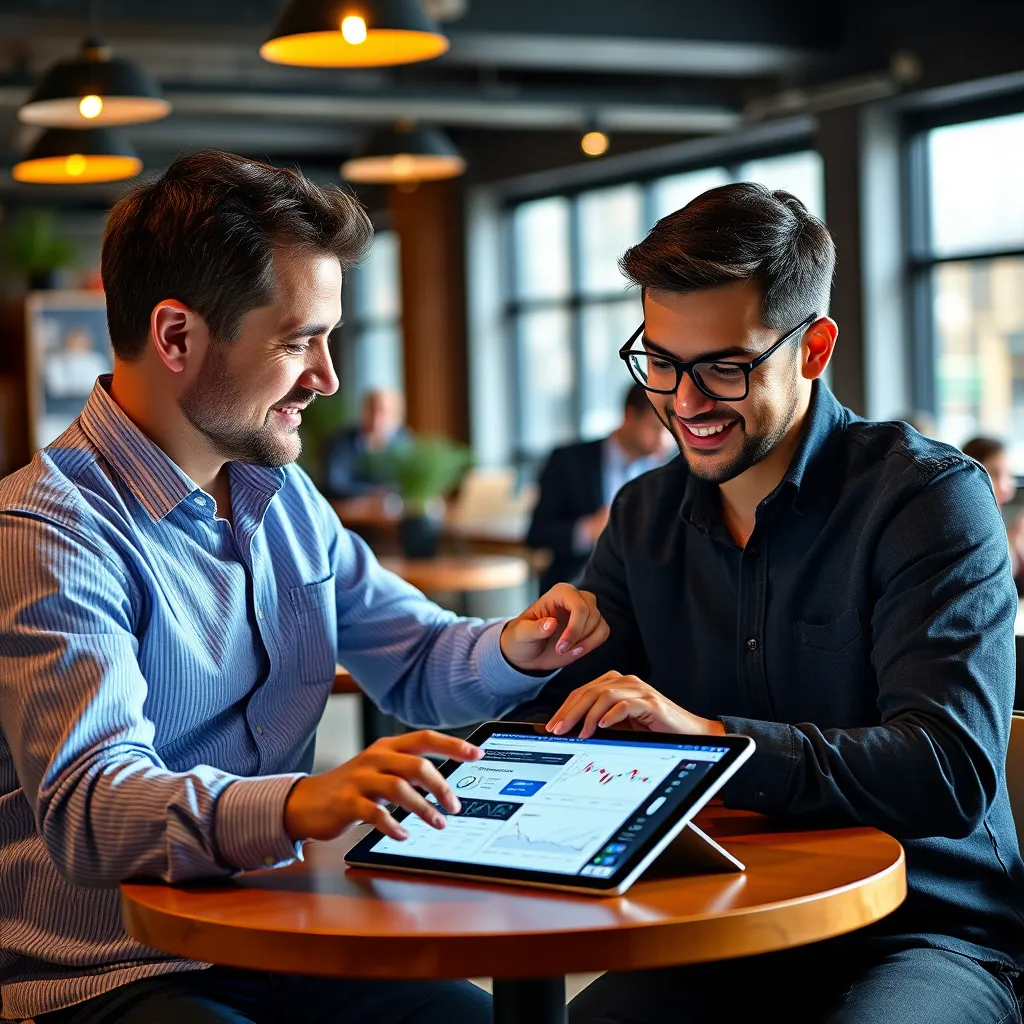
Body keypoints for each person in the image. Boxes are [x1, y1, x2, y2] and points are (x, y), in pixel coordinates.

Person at [0, 150, 610, 1024]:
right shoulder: (45, 530)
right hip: (113, 972)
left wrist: (518, 644)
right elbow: (95, 808)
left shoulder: (282, 491)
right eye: (298, 341)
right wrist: (301, 801)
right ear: (176, 337)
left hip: (286, 934)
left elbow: (414, 654)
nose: (325, 378)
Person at [514, 182, 1024, 1024]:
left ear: (814, 348)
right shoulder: (644, 516)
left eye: (725, 367)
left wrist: (712, 744)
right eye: (662, 362)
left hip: (922, 931)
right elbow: (566, 722)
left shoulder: (925, 500)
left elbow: (949, 768)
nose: (684, 403)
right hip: (717, 921)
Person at [527, 383, 672, 593]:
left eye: (669, 430)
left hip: (648, 590)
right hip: (578, 587)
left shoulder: (669, 468)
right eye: (655, 428)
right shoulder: (568, 461)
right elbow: (537, 533)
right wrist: (588, 531)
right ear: (629, 417)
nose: (664, 442)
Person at [322, 387, 408, 499]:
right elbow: (334, 485)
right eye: (371, 409)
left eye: (383, 411)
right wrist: (376, 493)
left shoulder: (403, 443)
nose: (376, 418)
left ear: (395, 416)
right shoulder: (340, 441)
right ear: (362, 410)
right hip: (349, 512)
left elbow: (407, 486)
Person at [962, 435, 1024, 586]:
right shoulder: (968, 528)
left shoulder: (1006, 521)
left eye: (1008, 474)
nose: (1005, 486)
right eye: (995, 474)